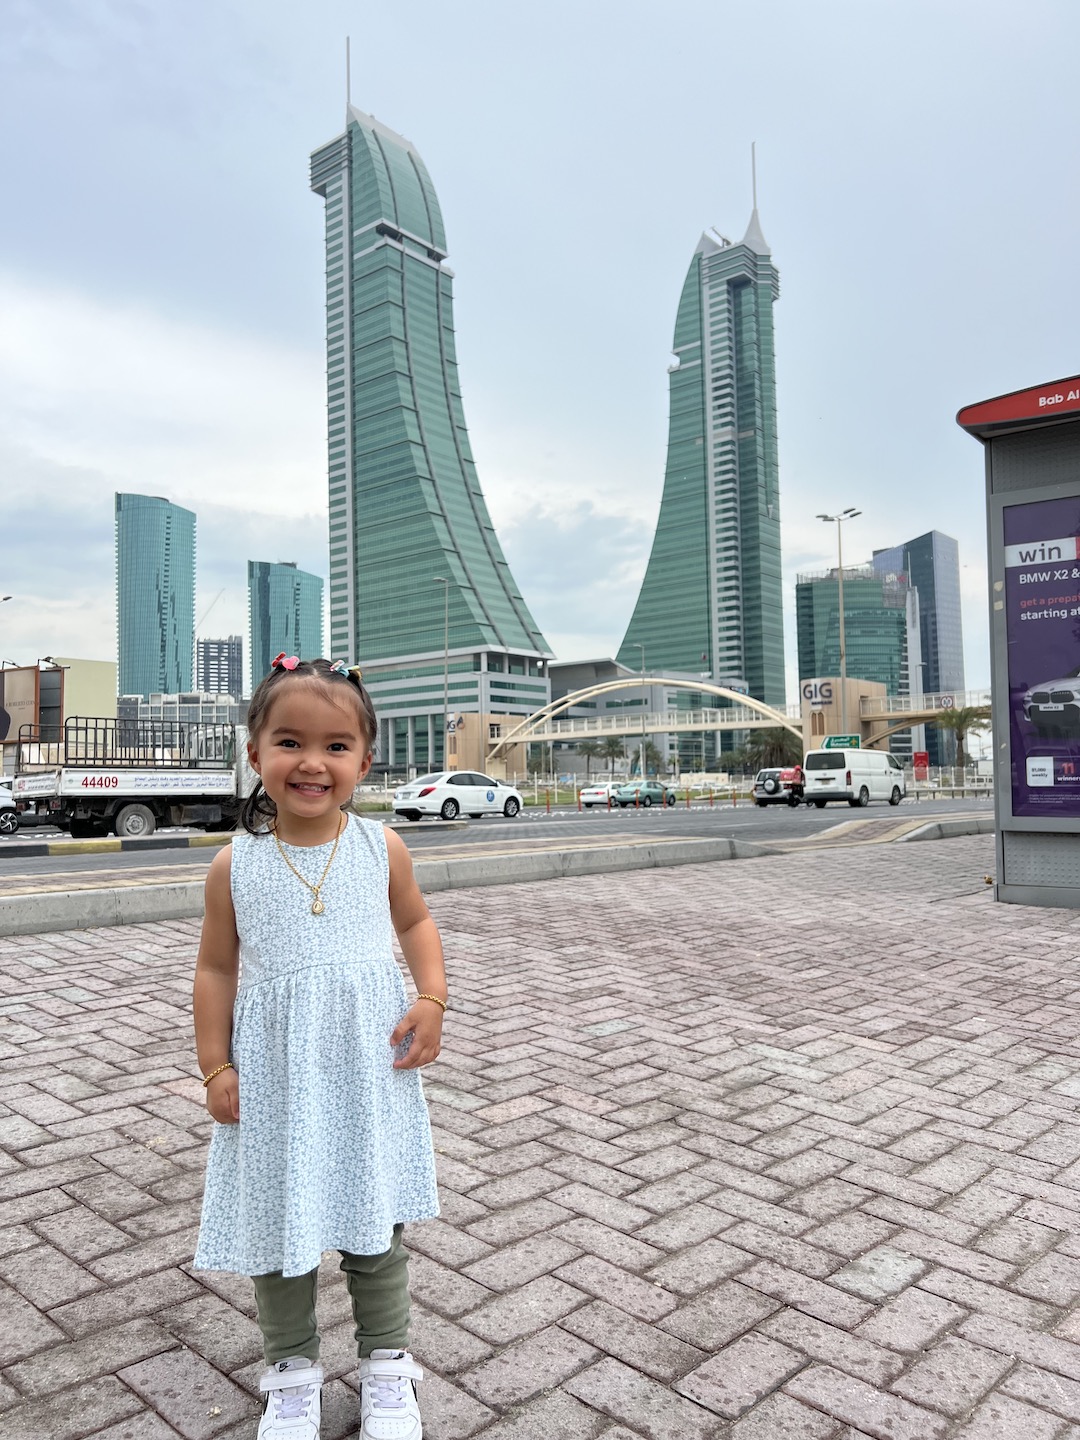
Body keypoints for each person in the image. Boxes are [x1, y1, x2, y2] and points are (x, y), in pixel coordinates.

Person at [193, 655, 445, 1439]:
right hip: (276, 1078)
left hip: (368, 1072)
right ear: (254, 752)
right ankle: (293, 1375)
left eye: (336, 746)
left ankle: (387, 1369)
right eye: (289, 742)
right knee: (279, 1231)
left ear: (364, 762)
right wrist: (215, 1064)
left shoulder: (381, 847)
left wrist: (432, 997)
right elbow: (215, 968)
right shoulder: (235, 865)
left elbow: (415, 922)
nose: (312, 762)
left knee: (377, 1228)